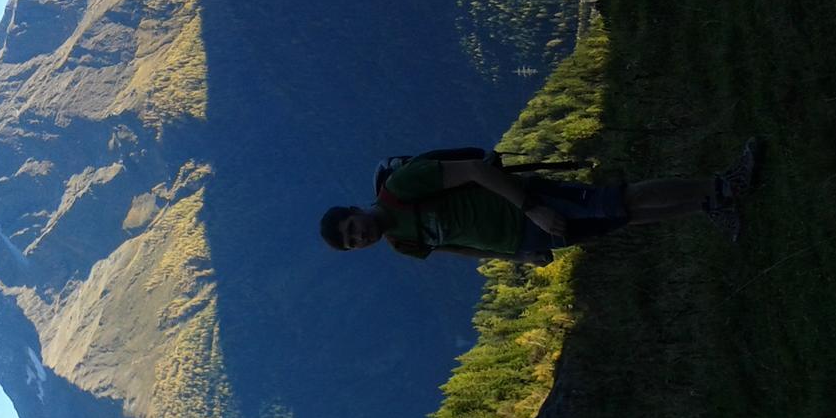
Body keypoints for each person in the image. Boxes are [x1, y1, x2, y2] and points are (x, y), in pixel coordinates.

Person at [319, 140, 760, 264]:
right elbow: (457, 247)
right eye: (354, 242)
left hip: (528, 204)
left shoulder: (400, 188)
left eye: (352, 228)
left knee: (617, 200)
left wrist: (532, 207)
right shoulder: (402, 244)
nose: (360, 235)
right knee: (619, 219)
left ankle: (722, 184)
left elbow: (475, 171)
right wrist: (520, 256)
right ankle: (709, 204)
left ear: (354, 210)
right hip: (526, 235)